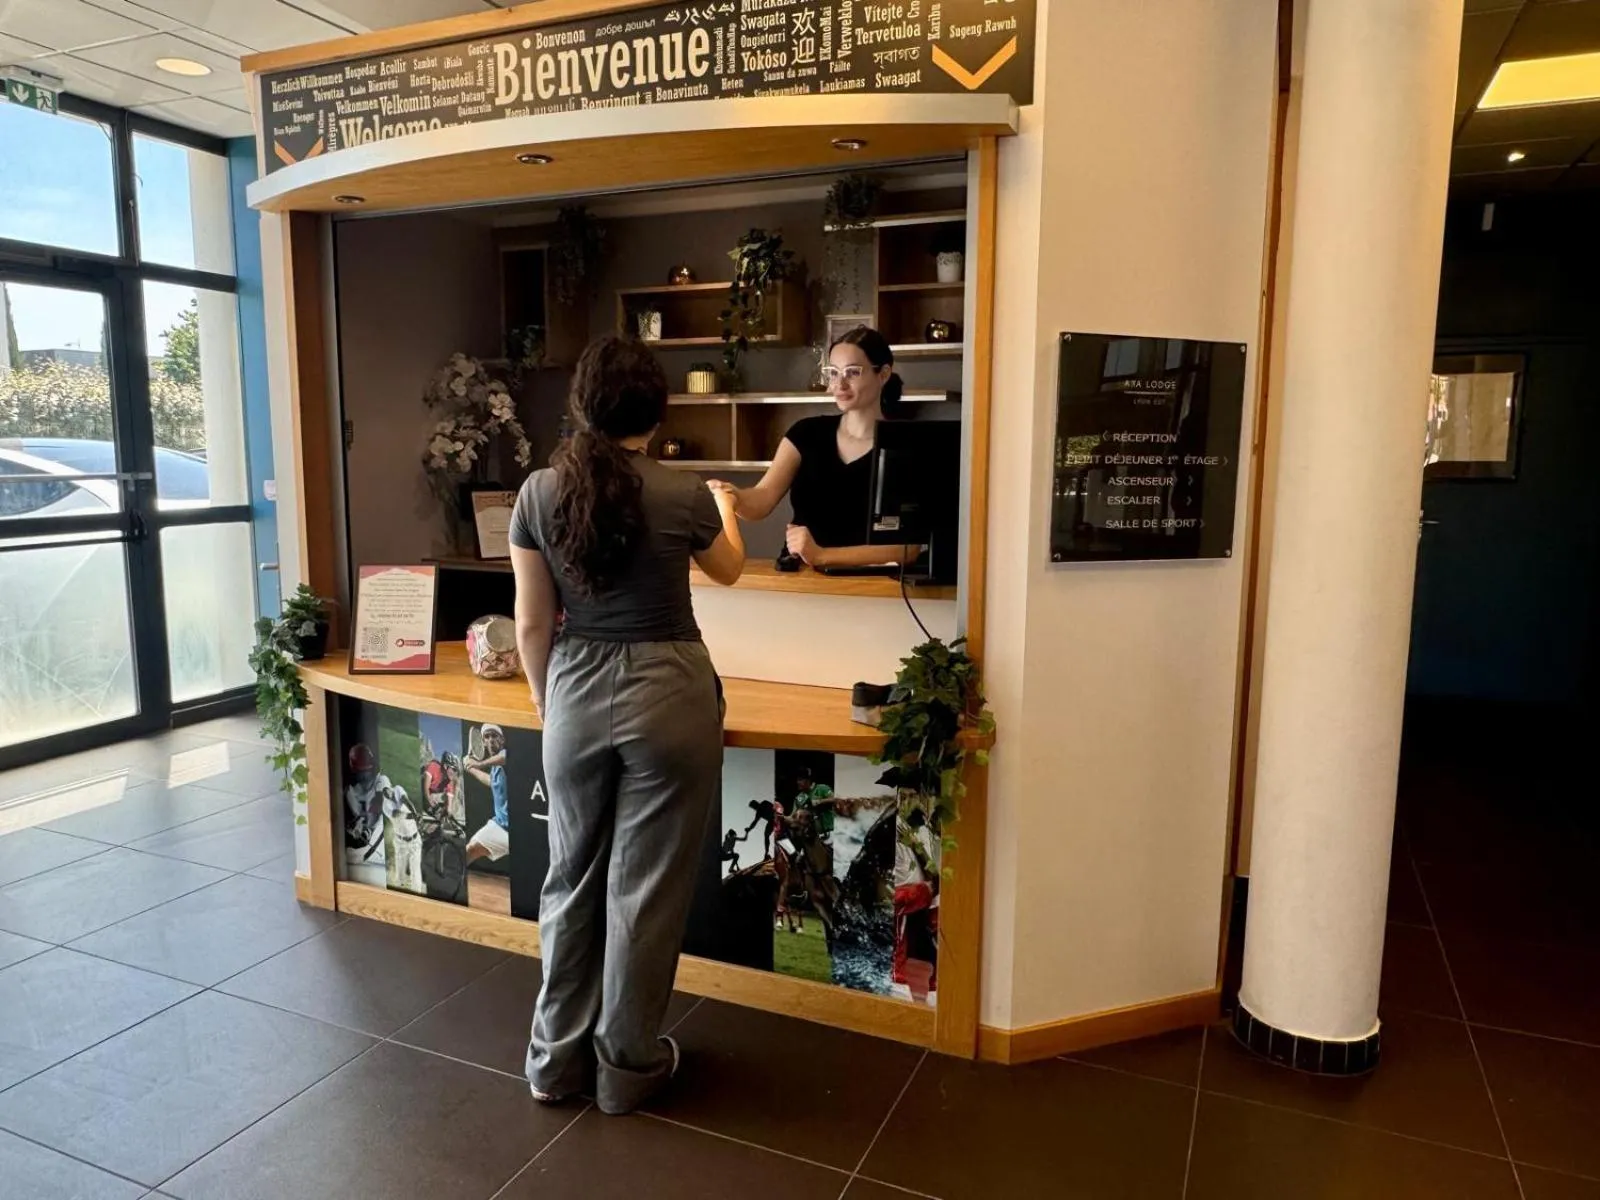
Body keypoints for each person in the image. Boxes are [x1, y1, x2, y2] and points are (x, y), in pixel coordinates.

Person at [508, 336, 745, 1115]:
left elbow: (532, 624)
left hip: (576, 687)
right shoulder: (683, 492)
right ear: (657, 410)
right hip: (670, 690)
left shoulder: (538, 493)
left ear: (582, 404)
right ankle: (626, 1068)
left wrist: (548, 705)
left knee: (569, 878)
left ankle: (553, 1063)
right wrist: (728, 509)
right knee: (645, 890)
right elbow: (729, 569)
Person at [713, 326, 914, 569]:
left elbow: (909, 548)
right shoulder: (806, 433)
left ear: (883, 374)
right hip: (803, 580)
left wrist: (821, 555)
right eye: (833, 373)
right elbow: (762, 499)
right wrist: (735, 495)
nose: (839, 384)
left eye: (852, 372)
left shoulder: (907, 445)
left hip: (874, 586)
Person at [464, 724, 510, 864]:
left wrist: (479, 764)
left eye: (494, 736)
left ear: (502, 740)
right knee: (470, 849)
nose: (491, 740)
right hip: (501, 827)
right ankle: (453, 877)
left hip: (518, 829)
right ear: (483, 742)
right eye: (487, 737)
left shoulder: (505, 755)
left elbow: (505, 757)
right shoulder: (495, 767)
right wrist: (471, 768)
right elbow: (492, 782)